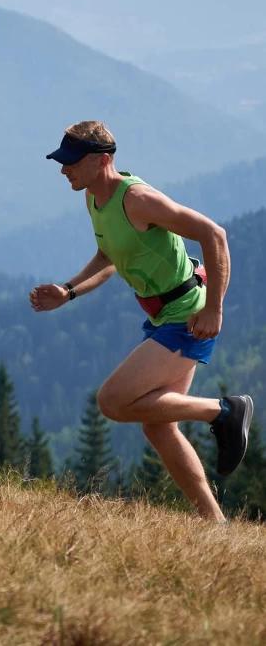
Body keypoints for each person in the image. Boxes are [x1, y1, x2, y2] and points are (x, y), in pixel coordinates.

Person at [29, 120, 252, 522]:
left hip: (186, 315)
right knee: (157, 426)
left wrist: (215, 308)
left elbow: (214, 235)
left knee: (112, 401)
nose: (64, 170)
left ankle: (223, 411)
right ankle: (216, 524)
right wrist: (69, 291)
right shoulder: (95, 199)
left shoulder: (138, 199)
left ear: (102, 161)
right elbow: (110, 256)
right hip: (165, 315)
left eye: (71, 162)